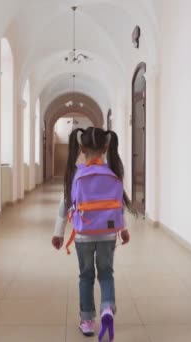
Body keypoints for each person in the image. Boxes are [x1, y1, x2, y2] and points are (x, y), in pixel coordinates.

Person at [51, 127, 137, 341]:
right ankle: (107, 307)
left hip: (83, 235)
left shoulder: (76, 174)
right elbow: (118, 206)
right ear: (106, 148)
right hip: (108, 234)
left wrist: (58, 233)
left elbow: (65, 206)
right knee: (106, 274)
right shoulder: (113, 173)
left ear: (81, 147)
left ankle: (87, 320)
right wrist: (123, 229)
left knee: (86, 276)